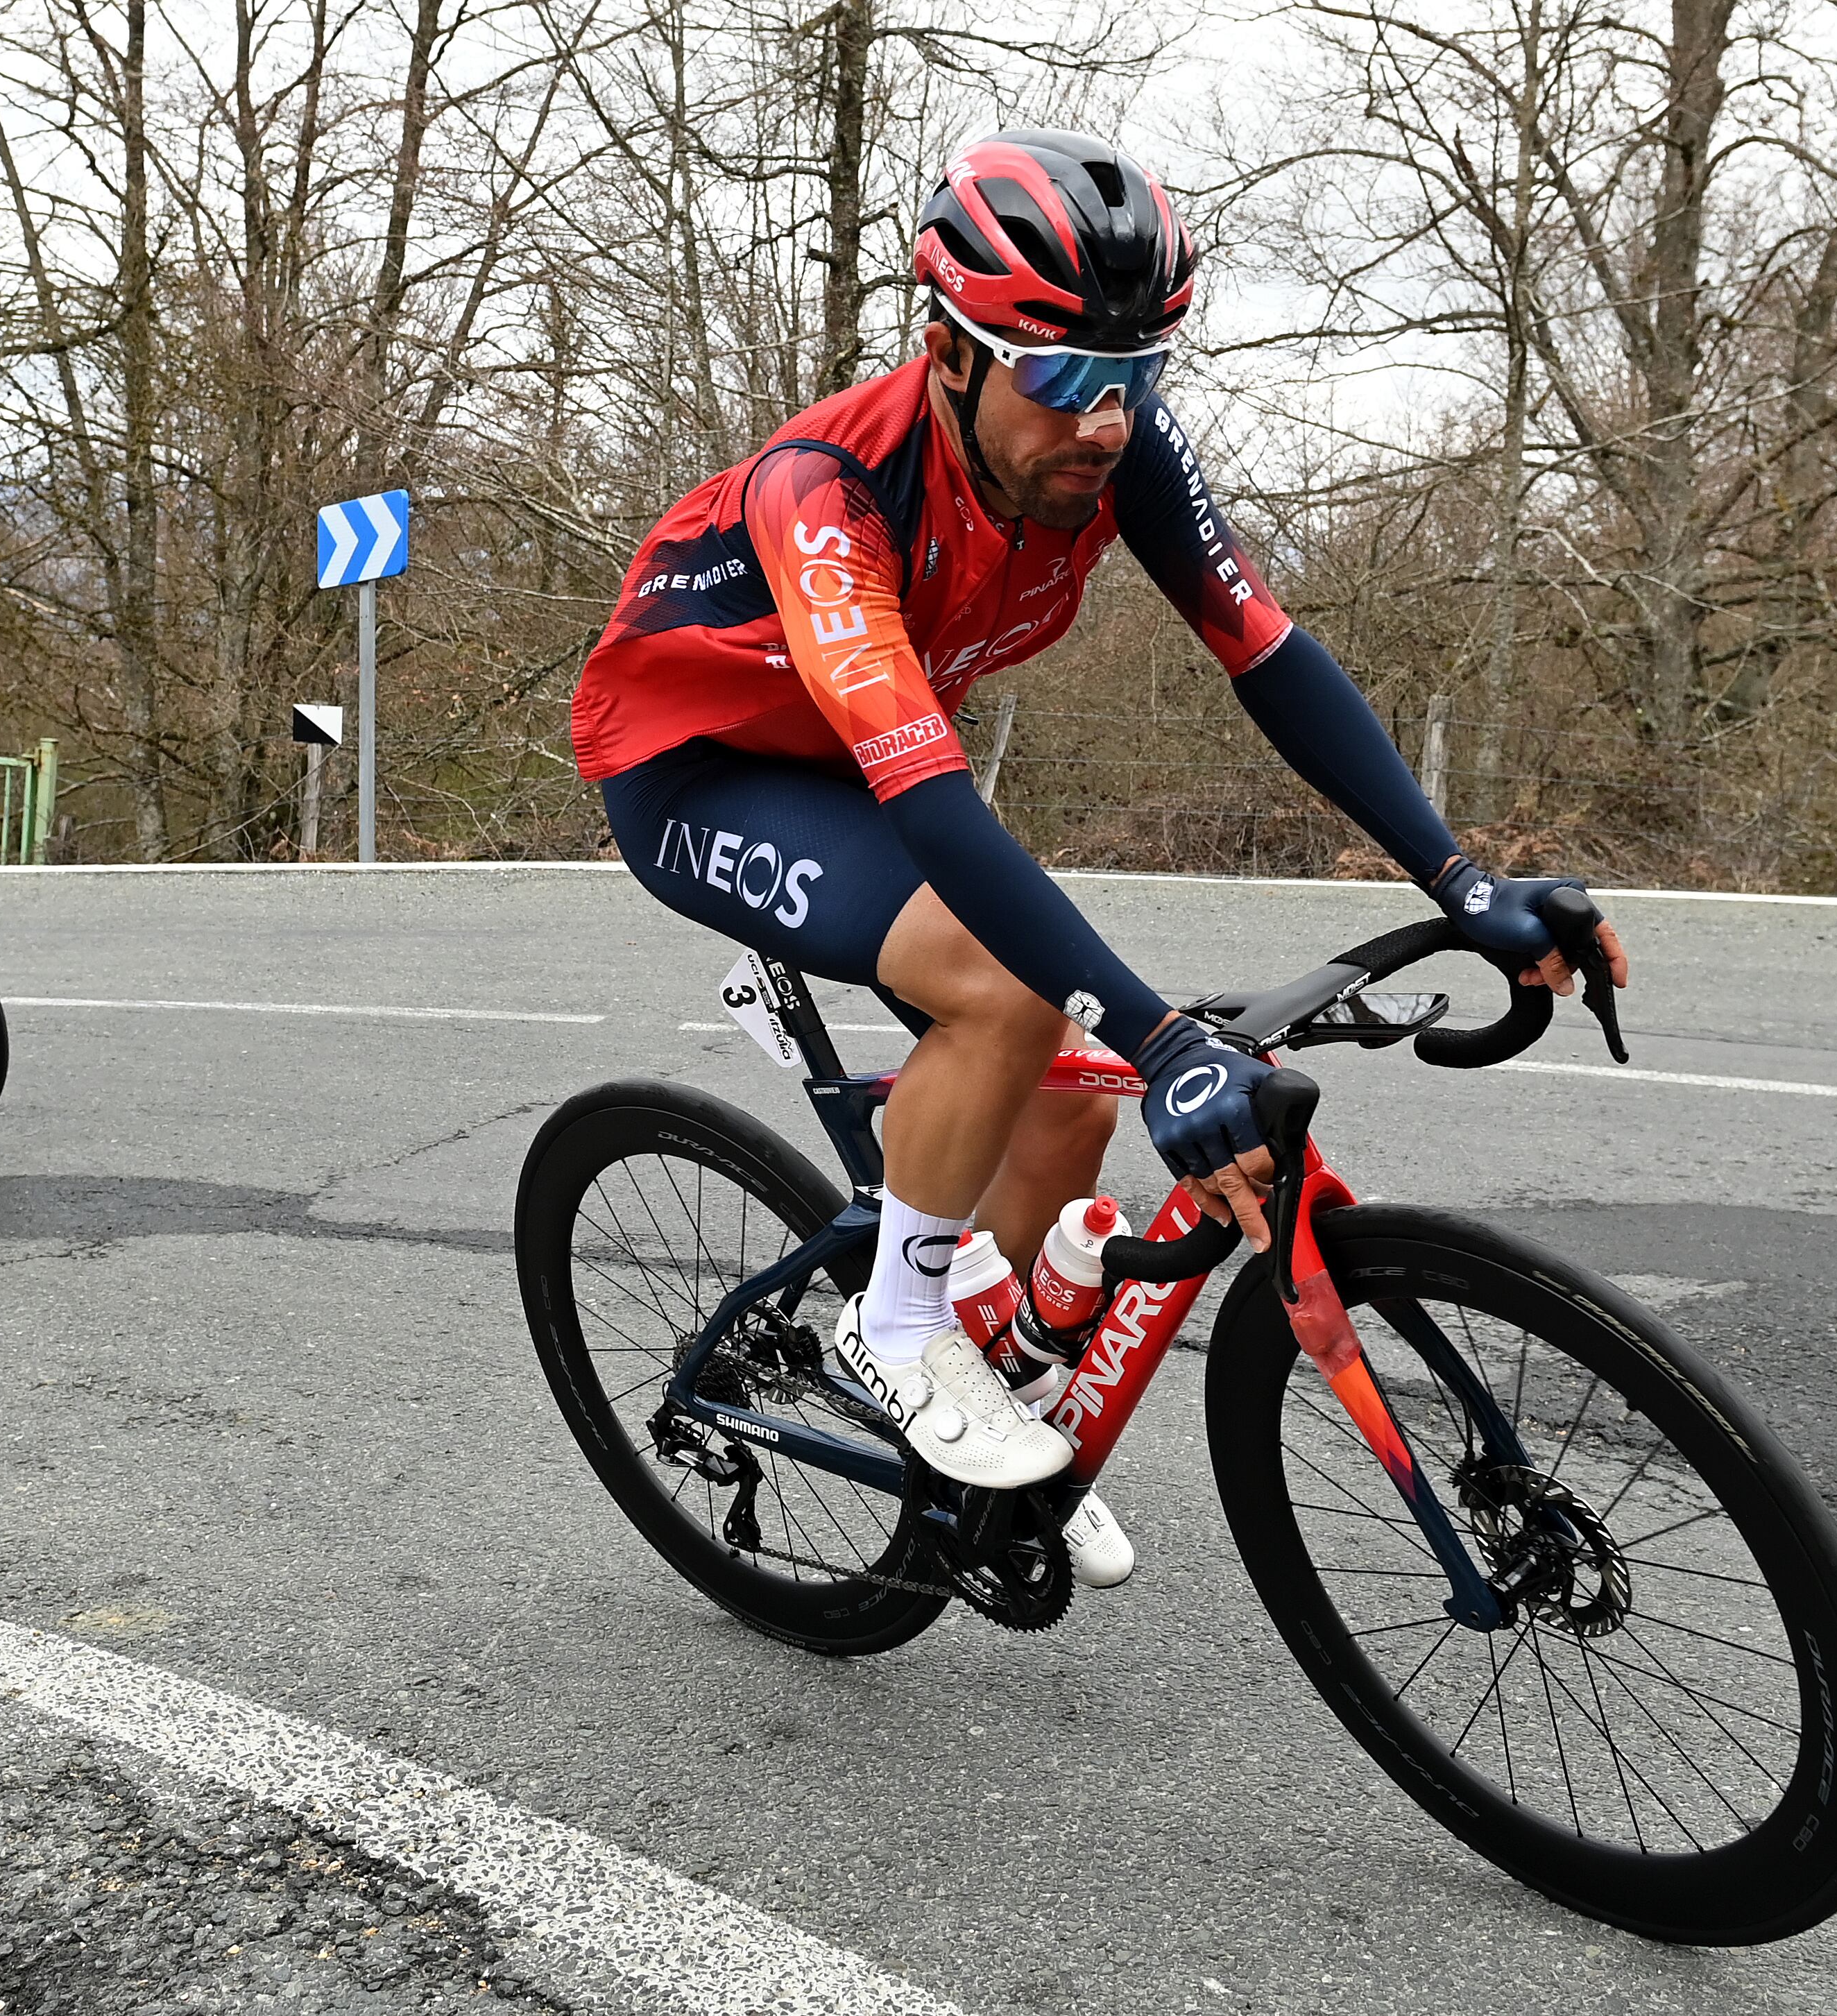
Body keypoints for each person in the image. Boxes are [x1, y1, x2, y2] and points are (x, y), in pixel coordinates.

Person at [571, 130, 1630, 1587]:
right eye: (1061, 377)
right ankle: (897, 1333)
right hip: (701, 771)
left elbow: (1270, 659)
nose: (1103, 422)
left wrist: (1462, 883)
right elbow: (941, 805)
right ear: (950, 354)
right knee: (1012, 998)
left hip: (861, 759)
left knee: (1068, 1113)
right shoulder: (825, 490)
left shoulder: (1111, 450)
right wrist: (1163, 1036)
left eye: (1137, 382)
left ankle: (990, 1372)